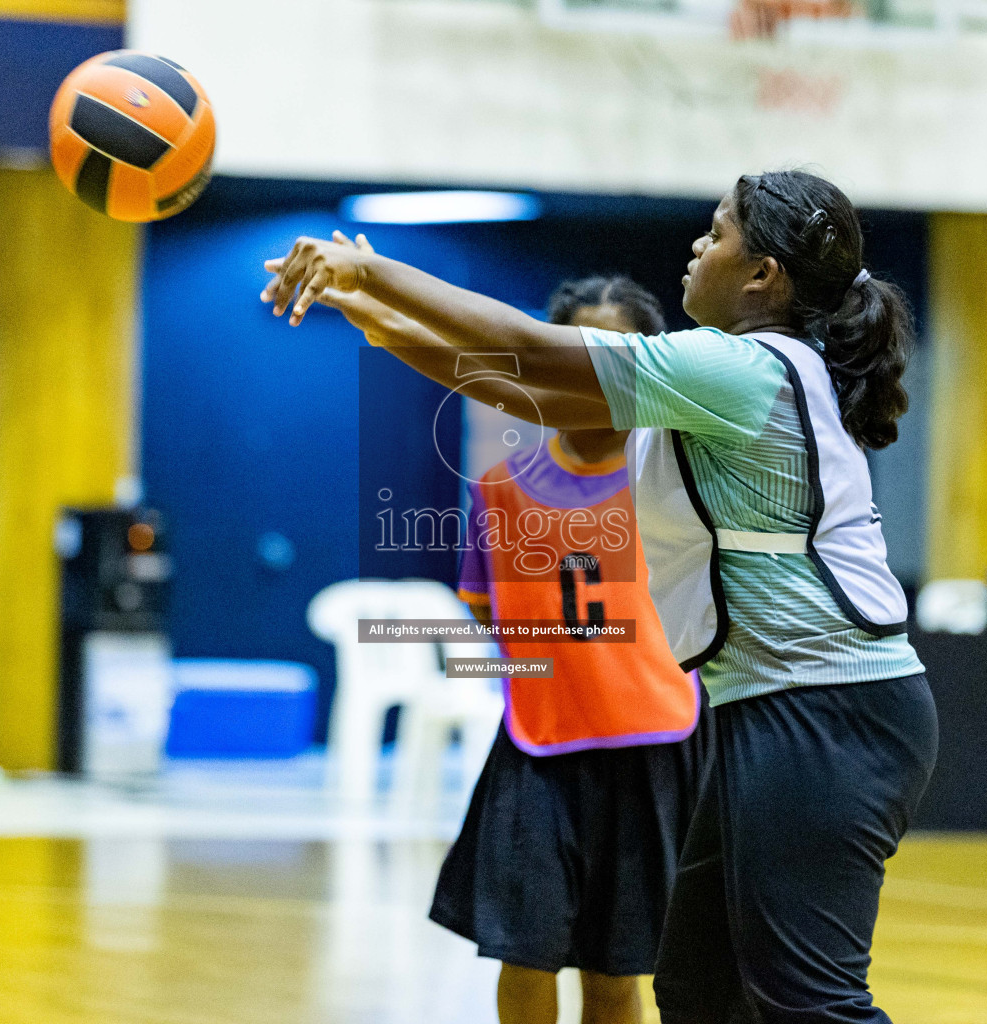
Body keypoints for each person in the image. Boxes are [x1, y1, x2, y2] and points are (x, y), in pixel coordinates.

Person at [264, 169, 937, 1023]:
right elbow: (525, 387)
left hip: (829, 712)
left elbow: (529, 349)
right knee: (697, 984)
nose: (698, 246)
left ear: (765, 275)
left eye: (719, 233)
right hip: (774, 709)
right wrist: (375, 315)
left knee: (812, 1002)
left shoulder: (743, 368)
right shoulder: (709, 383)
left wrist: (370, 272)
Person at [335, 265, 708, 1024]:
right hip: (537, 748)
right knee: (523, 949)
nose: (592, 380)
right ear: (543, 363)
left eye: (615, 362)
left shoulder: (677, 475)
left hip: (656, 753)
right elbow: (487, 609)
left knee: (615, 971)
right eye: (574, 355)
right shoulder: (501, 489)